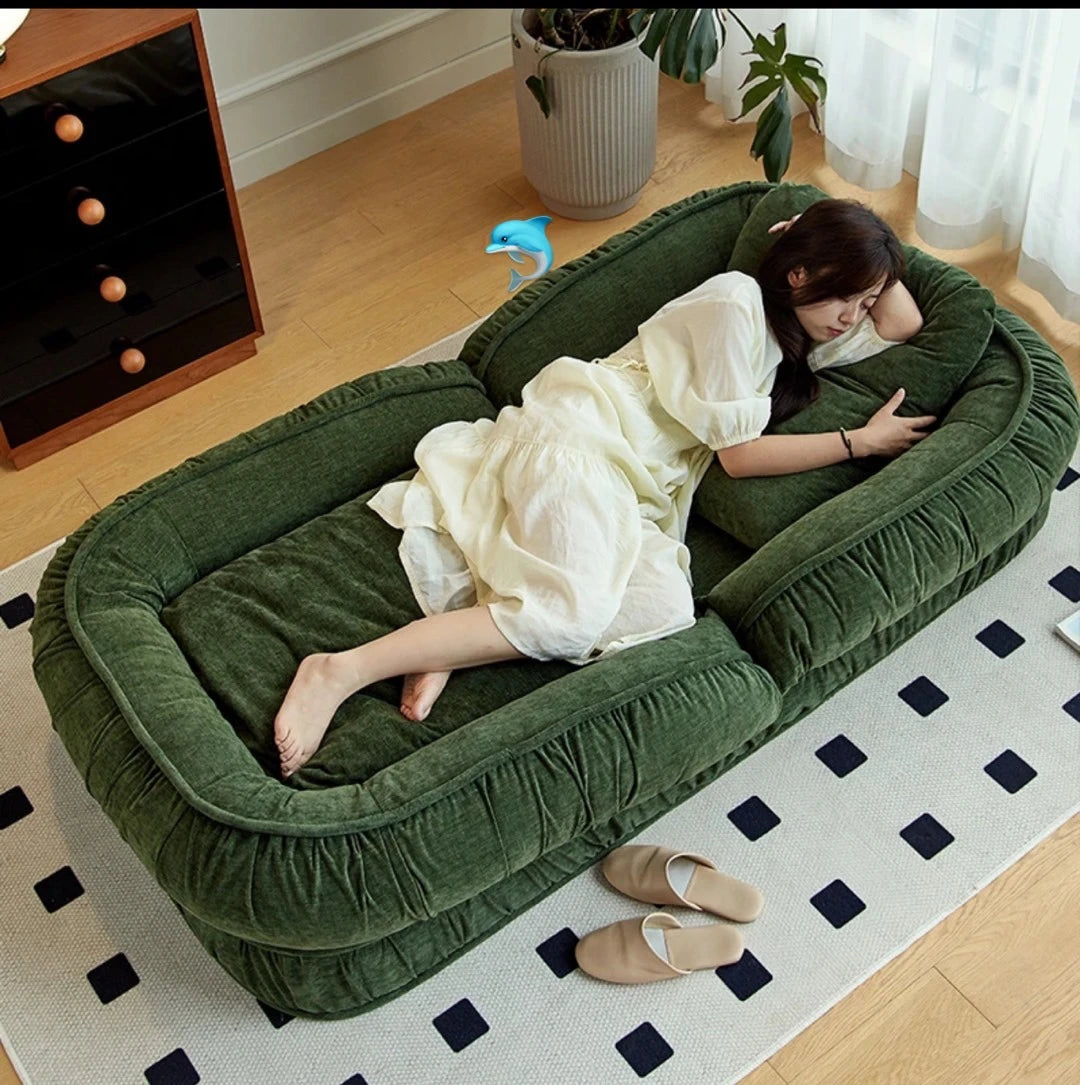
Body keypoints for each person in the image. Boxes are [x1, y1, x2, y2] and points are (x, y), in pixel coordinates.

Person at [273, 198, 932, 778]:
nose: (855, 317)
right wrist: (859, 441)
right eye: (850, 298)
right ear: (799, 274)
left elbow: (902, 323)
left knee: (661, 606)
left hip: (629, 491)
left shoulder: (800, 340)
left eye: (863, 302)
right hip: (583, 440)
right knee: (574, 613)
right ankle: (340, 669)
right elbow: (738, 458)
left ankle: (456, 634)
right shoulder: (736, 301)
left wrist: (864, 258)